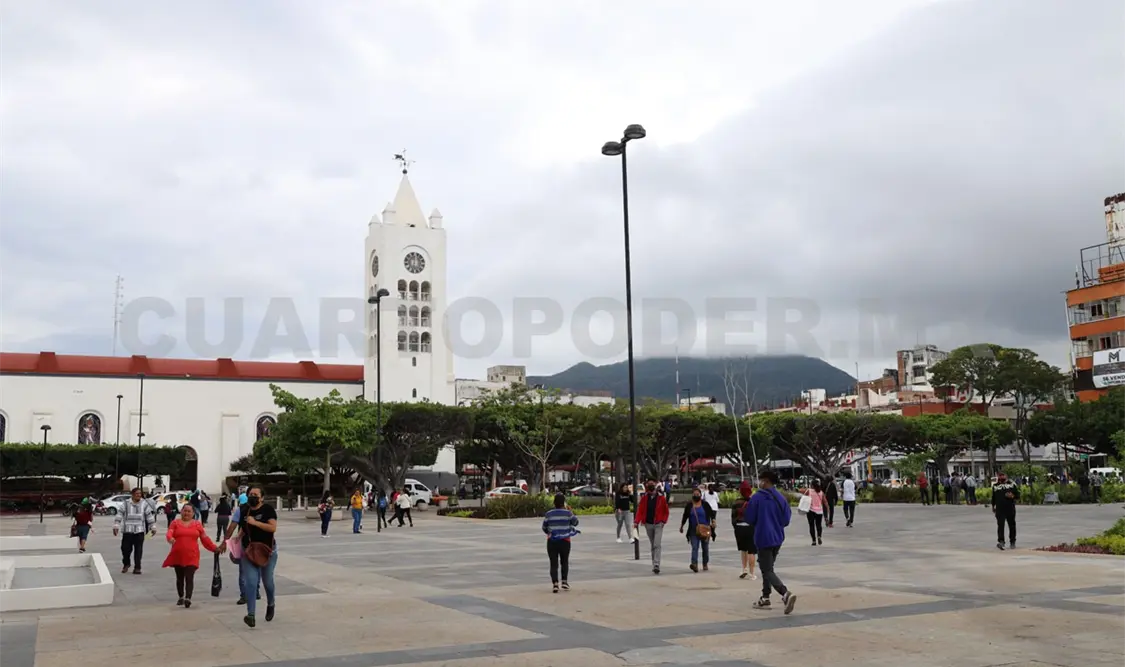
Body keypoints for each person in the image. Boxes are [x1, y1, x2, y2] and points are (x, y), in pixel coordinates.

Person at [744, 469, 797, 614]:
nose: (758, 482)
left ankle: (785, 593)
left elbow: (749, 518)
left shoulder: (757, 498)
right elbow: (786, 520)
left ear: (765, 481)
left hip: (763, 537)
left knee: (767, 570)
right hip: (778, 537)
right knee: (768, 568)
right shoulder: (780, 498)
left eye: (760, 480)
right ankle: (765, 596)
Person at [163, 503, 222, 608]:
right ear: (181, 511)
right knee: (180, 577)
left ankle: (188, 598)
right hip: (178, 555)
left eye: (189, 511)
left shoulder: (197, 525)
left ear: (193, 513)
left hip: (192, 555)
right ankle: (181, 596)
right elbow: (169, 533)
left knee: (189, 577)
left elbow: (205, 539)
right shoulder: (175, 523)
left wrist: (214, 548)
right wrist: (170, 539)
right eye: (185, 511)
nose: (186, 513)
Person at [235, 486, 278, 628]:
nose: (252, 496)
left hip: (267, 551)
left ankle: (271, 603)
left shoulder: (267, 510)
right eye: (250, 494)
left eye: (255, 494)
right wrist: (237, 538)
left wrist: (256, 523)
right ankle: (251, 614)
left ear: (262, 498)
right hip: (249, 550)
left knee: (267, 582)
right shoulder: (244, 510)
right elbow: (243, 527)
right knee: (251, 583)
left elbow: (272, 528)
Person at [113, 487, 156, 575]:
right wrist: (116, 526)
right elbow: (119, 514)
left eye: (140, 494)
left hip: (139, 531)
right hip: (127, 531)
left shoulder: (144, 504)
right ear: (132, 495)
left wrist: (153, 527)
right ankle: (126, 563)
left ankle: (137, 567)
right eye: (137, 494)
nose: (139, 495)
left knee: (138, 550)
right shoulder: (126, 503)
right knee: (125, 549)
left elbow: (149, 516)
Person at [542, 493, 579, 593]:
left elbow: (544, 527)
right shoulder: (568, 513)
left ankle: (555, 584)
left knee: (553, 563)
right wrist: (570, 511)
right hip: (565, 541)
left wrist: (550, 533)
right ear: (564, 502)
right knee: (564, 561)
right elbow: (575, 522)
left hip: (552, 541)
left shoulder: (549, 514)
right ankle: (564, 582)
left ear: (554, 502)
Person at [633, 481, 669, 575]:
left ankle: (656, 564)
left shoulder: (661, 498)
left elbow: (666, 511)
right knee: (653, 545)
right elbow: (640, 511)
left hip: (658, 524)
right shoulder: (644, 499)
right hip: (648, 524)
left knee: (657, 544)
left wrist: (663, 521)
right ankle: (654, 564)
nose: (651, 488)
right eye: (649, 486)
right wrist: (636, 522)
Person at [680, 487, 716, 572]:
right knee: (695, 547)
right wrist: (682, 526)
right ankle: (694, 564)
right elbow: (685, 516)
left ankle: (705, 563)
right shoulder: (689, 505)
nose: (696, 495)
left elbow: (711, 514)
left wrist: (713, 521)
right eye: (695, 494)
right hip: (693, 530)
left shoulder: (705, 504)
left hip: (705, 529)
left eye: (698, 494)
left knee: (705, 548)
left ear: (700, 495)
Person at [732, 481, 757, 579]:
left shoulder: (736, 502)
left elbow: (733, 517)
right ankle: (752, 573)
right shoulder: (753, 502)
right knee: (752, 551)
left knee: (743, 549)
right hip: (750, 528)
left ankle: (744, 569)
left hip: (739, 528)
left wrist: (736, 526)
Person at [991, 472, 1020, 550]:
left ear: (1006, 476)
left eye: (1002, 475)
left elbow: (1017, 496)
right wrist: (993, 507)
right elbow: (993, 497)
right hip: (1000, 509)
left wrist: (1012, 496)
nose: (1001, 477)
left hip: (1010, 508)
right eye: (999, 475)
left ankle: (1012, 541)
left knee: (1012, 525)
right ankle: (1001, 541)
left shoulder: (1012, 485)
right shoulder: (995, 486)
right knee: (1000, 525)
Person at [804, 479, 827, 546]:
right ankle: (819, 536)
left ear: (812, 485)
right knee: (819, 525)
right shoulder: (821, 492)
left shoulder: (809, 491)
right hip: (819, 511)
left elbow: (803, 498)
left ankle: (814, 540)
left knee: (811, 526)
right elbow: (825, 501)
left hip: (810, 510)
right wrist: (827, 510)